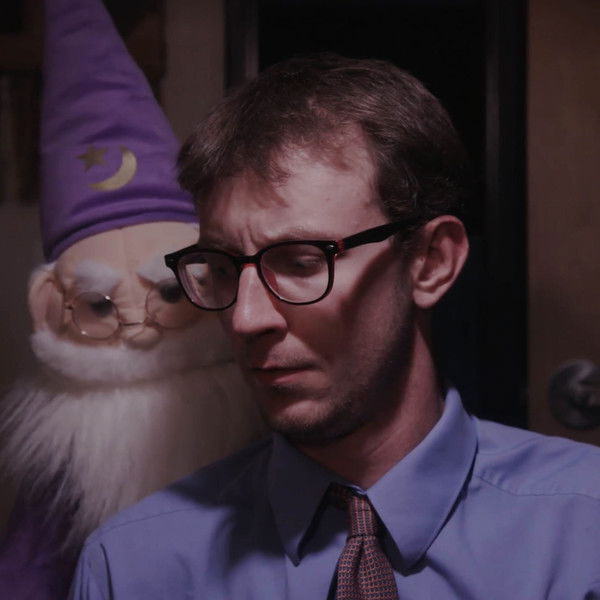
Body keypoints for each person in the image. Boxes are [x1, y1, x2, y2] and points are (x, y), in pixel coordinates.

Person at [68, 54, 600, 599]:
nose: (246, 319)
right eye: (223, 269)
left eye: (302, 263)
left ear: (431, 262)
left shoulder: (584, 533)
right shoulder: (132, 568)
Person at [0, 0, 263, 598]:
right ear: (49, 303)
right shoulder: (66, 449)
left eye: (168, 292)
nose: (140, 329)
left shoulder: (266, 397)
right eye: (98, 305)